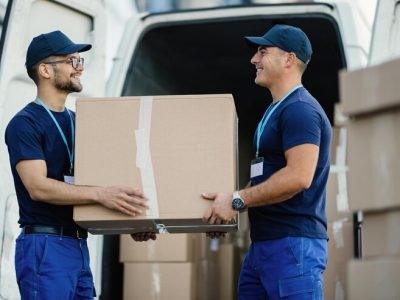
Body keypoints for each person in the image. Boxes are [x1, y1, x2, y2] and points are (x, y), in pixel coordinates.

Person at [4, 30, 153, 299]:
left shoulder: (81, 121)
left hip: (78, 244)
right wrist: (101, 194)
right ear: (45, 70)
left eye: (80, 61)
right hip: (45, 246)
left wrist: (129, 222)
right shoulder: (25, 123)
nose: (79, 69)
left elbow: (100, 182)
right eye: (72, 61)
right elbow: (38, 187)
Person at [202, 24, 331, 299]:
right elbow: (267, 176)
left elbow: (299, 176)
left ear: (288, 59)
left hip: (292, 247)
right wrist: (228, 207)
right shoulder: (276, 109)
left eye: (263, 52)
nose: (254, 60)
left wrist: (237, 200)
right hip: (264, 246)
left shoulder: (300, 110)